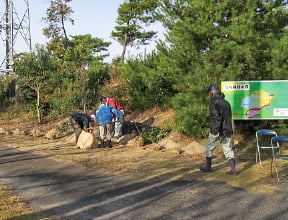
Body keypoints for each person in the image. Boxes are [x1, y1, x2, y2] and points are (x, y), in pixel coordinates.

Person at [199, 84, 237, 175]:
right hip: (227, 130)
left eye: (209, 93)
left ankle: (208, 167)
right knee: (228, 149)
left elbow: (216, 117)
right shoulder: (226, 103)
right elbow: (229, 118)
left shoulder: (213, 102)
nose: (209, 95)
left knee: (209, 148)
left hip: (218, 130)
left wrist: (215, 130)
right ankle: (233, 170)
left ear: (212, 93)